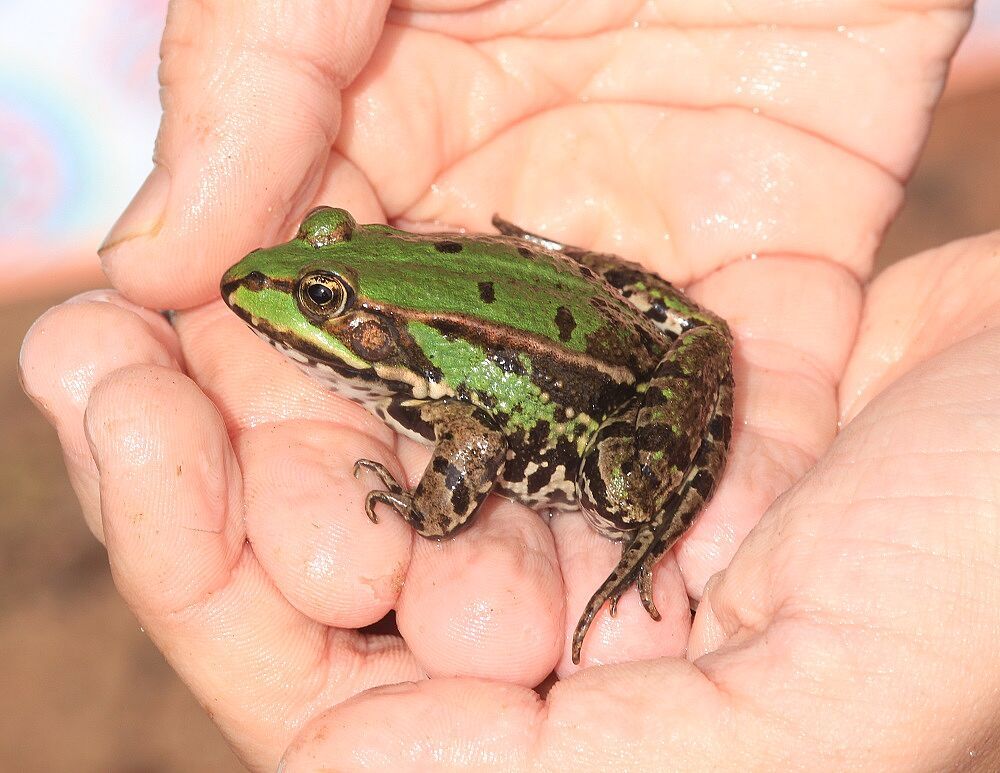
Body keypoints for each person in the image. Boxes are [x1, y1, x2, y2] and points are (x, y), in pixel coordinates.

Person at [20, 1, 1000, 769]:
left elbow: (477, 442)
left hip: (609, 401)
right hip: (600, 314)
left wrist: (426, 509)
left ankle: (650, 529)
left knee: (621, 493)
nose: (276, 292)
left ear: (366, 318)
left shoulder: (432, 388)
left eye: (320, 296)